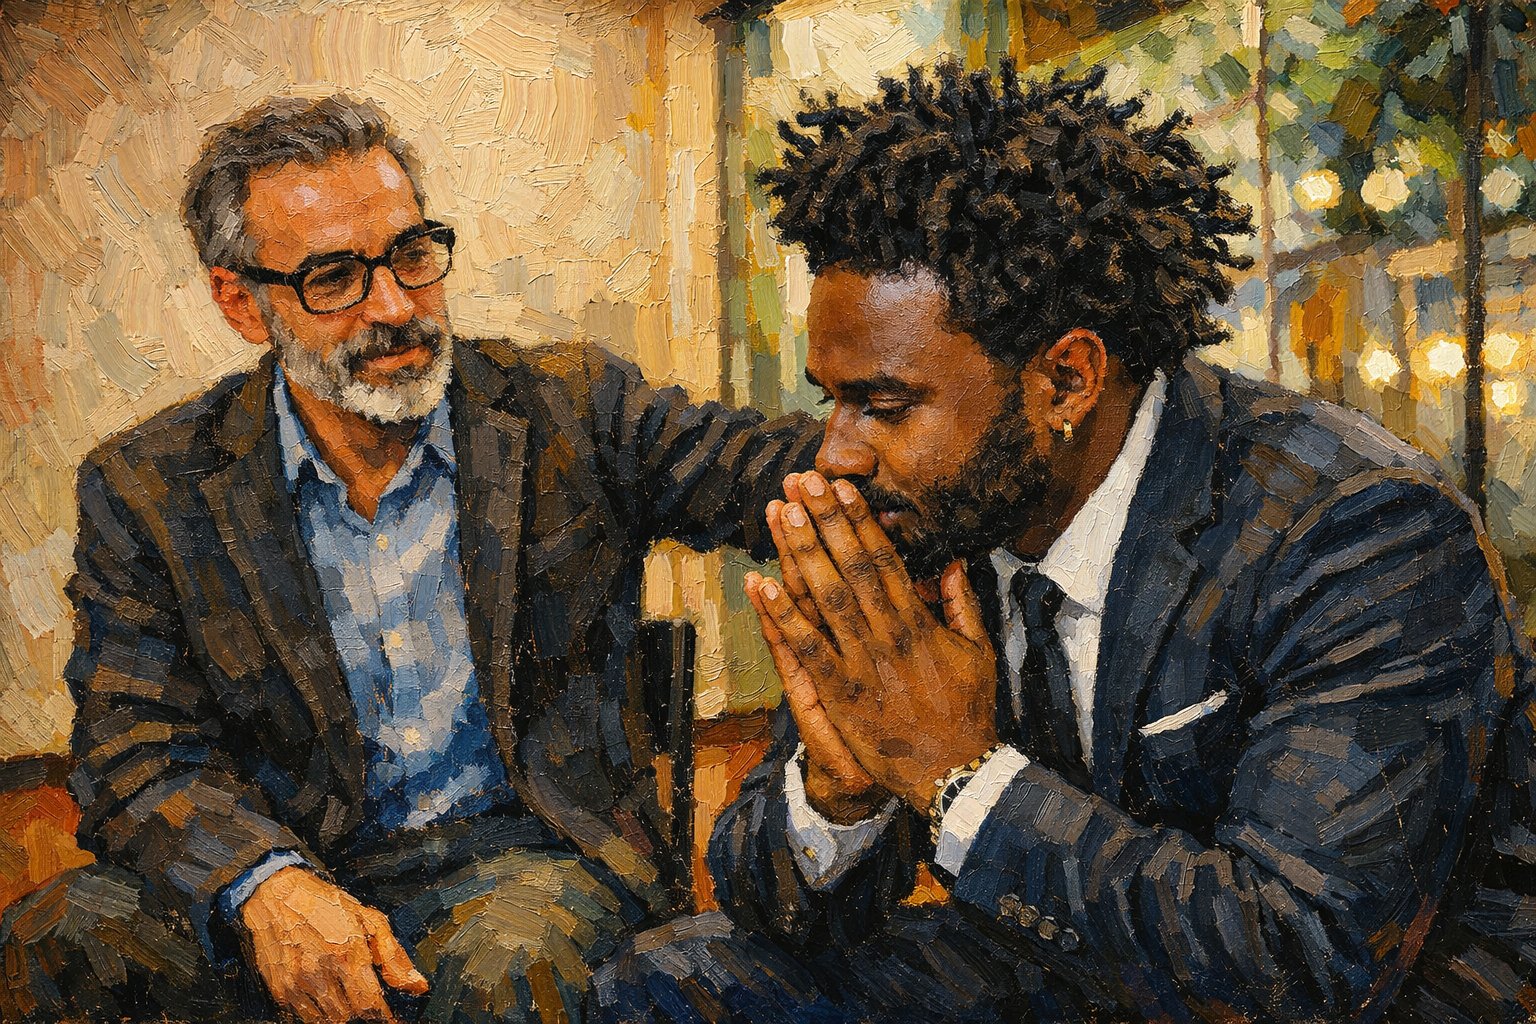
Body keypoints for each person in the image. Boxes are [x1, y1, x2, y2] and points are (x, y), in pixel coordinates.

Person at [594, 62, 1536, 1023]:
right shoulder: (934, 516)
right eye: (831, 400)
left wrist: (954, 773)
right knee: (673, 983)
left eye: (884, 404)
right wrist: (839, 793)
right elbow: (776, 908)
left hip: (1316, 993)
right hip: (1078, 965)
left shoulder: (1361, 530)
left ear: (1066, 381)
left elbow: (1301, 962)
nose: (836, 455)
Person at [0, 94, 819, 1024]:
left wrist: (920, 435)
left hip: (525, 858)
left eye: (412, 256)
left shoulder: (569, 409)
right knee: (61, 933)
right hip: (289, 858)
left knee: (510, 957)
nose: (395, 307)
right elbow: (132, 746)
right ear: (241, 302)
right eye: (334, 279)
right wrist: (264, 883)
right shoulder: (150, 485)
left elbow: (774, 471)